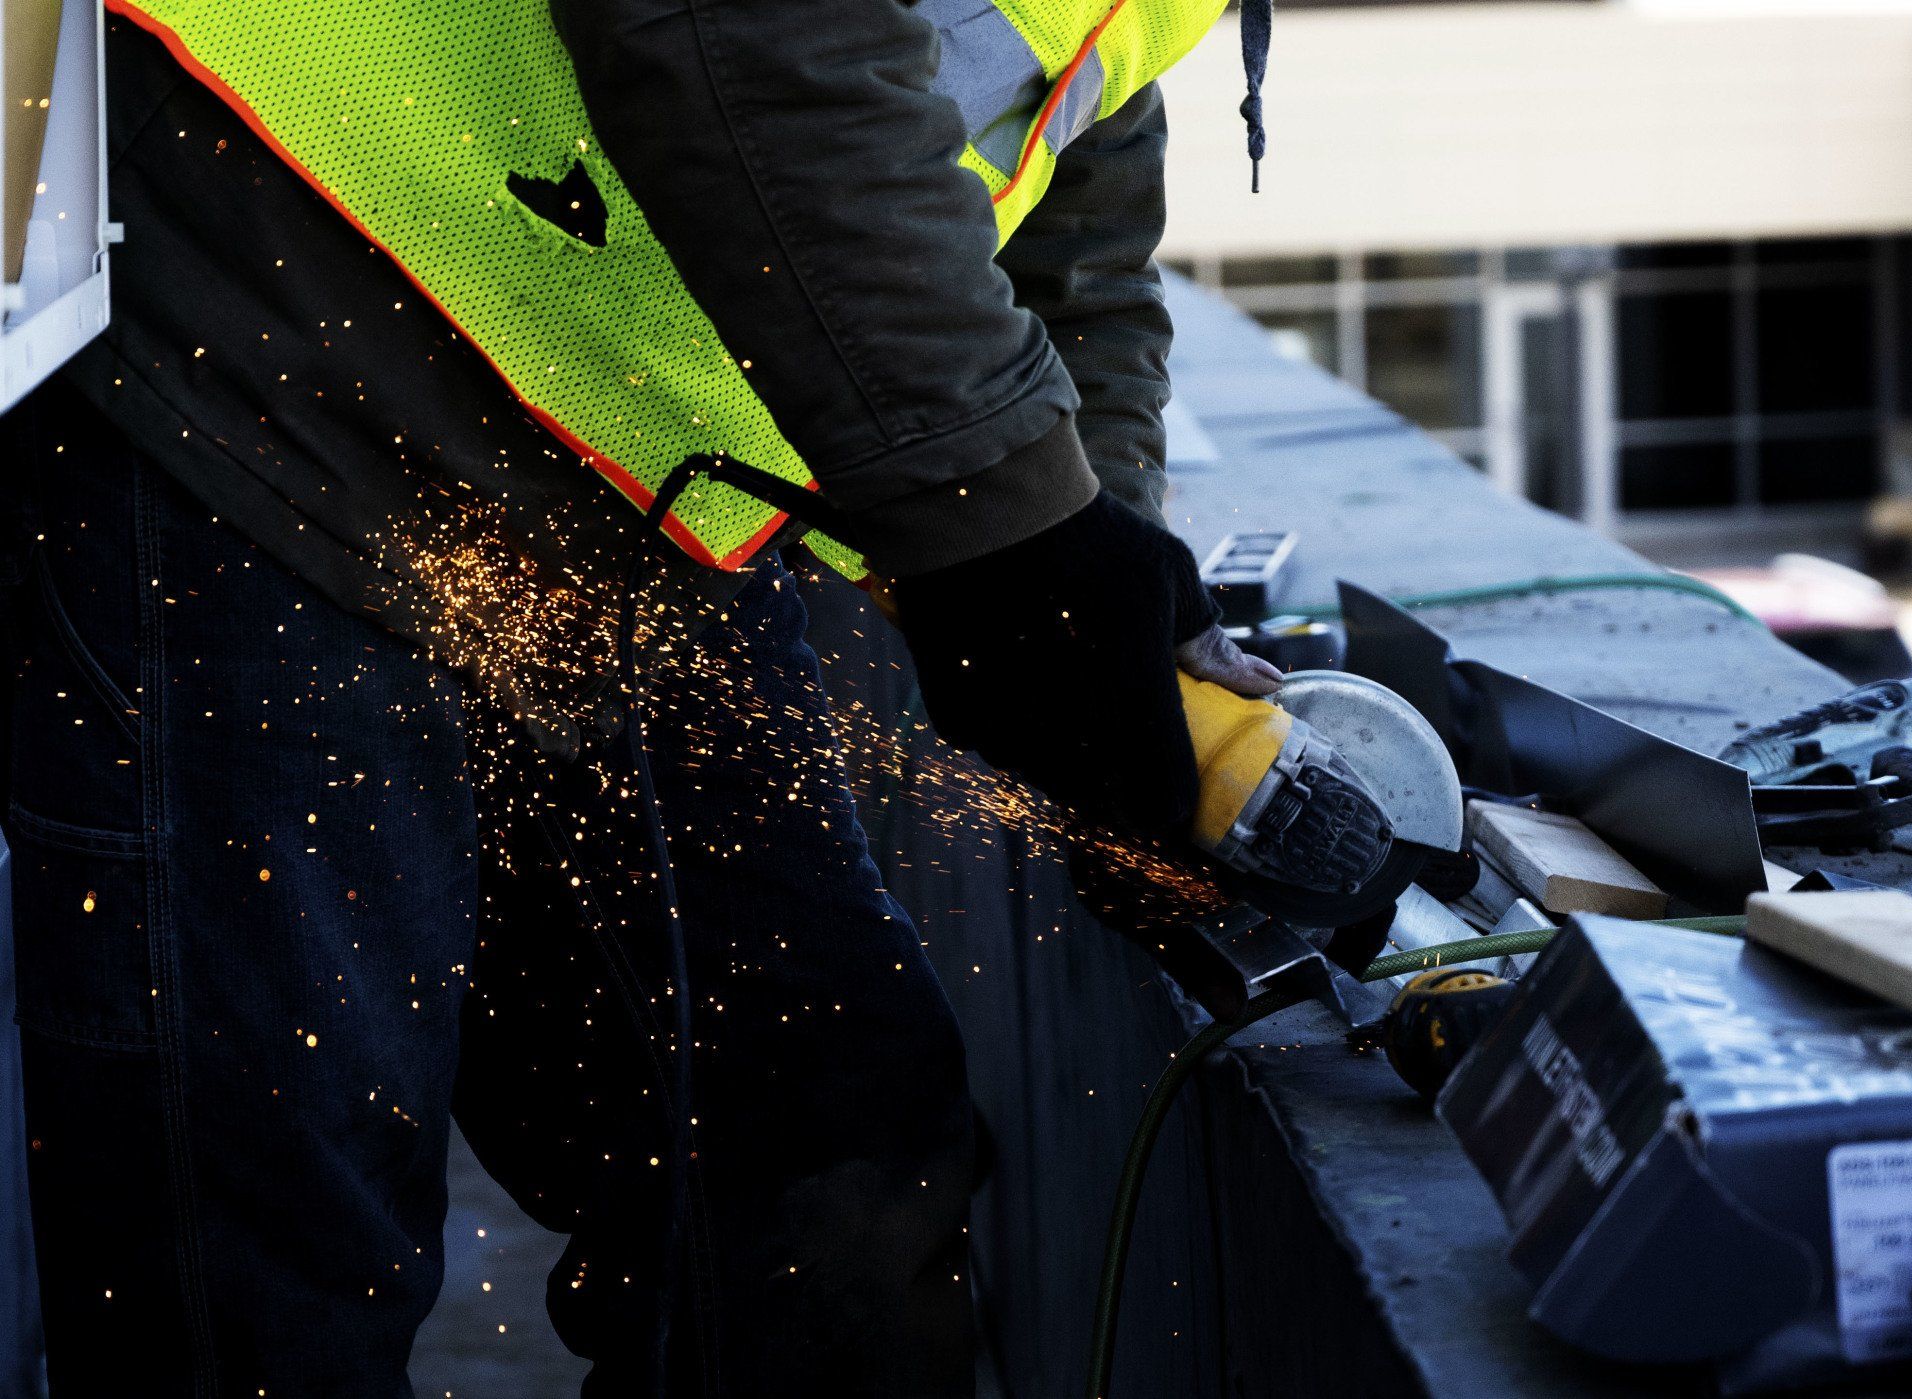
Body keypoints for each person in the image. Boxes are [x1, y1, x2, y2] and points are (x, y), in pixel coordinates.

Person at [0, 0, 1279, 1392]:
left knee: (817, 1170)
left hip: (607, 464)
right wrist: (1009, 535)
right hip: (258, 346)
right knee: (269, 1263)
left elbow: (1064, 163)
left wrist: (1108, 599)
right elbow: (743, 35)